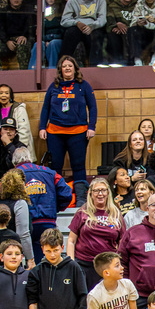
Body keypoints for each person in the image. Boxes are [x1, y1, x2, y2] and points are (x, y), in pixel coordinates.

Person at [39, 56, 96, 207]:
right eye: (64, 66)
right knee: (55, 166)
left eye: (70, 66)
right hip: (55, 132)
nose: (67, 68)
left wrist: (91, 127)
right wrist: (42, 127)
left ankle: (81, 200)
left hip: (78, 132)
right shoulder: (53, 86)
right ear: (60, 70)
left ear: (75, 69)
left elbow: (93, 107)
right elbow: (45, 108)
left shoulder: (83, 86)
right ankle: (55, 199)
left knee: (78, 166)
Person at [67, 178, 125, 288]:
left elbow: (122, 242)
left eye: (103, 190)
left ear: (108, 192)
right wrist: (72, 263)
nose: (100, 194)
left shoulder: (116, 214)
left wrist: (118, 263)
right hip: (84, 265)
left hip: (108, 266)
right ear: (91, 193)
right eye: (96, 190)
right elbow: (71, 240)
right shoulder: (82, 212)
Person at [60, 0, 106, 67]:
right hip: (77, 27)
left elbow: (102, 19)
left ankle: (96, 67)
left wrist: (92, 26)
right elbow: (64, 21)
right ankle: (64, 64)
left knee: (97, 35)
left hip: (94, 27)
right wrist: (77, 23)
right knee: (70, 33)